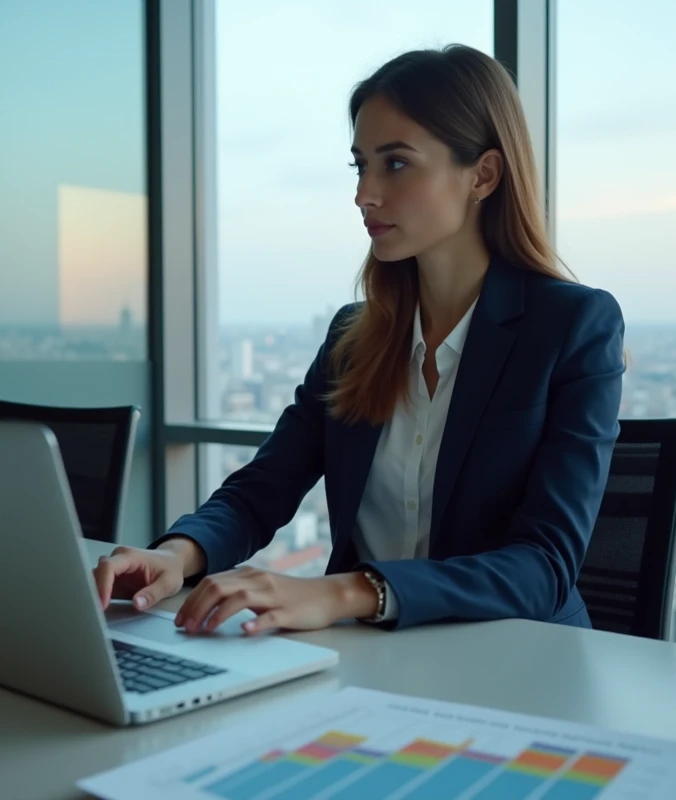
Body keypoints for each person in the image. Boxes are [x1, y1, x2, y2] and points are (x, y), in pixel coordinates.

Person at [93, 44, 624, 635]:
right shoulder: (354, 335)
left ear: (484, 175)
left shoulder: (572, 328)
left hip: (518, 664)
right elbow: (261, 490)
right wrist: (178, 554)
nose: (363, 193)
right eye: (360, 166)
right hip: (371, 661)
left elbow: (545, 567)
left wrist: (352, 590)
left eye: (395, 163)